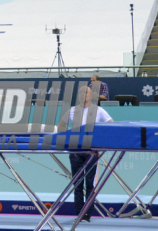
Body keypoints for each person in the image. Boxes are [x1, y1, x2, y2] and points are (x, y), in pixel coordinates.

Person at [60, 86, 114, 223]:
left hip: (91, 151)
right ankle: (79, 214)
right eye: (82, 93)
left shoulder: (98, 110)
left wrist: (101, 140)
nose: (84, 95)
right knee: (77, 184)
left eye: (87, 93)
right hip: (76, 152)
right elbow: (61, 127)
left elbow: (111, 125)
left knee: (90, 185)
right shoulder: (72, 111)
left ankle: (87, 214)